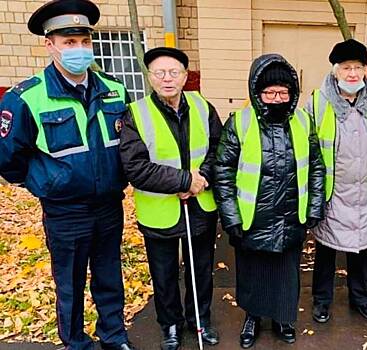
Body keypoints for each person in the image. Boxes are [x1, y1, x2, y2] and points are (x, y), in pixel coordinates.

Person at [0, 0, 134, 349]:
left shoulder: (114, 90)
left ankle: (113, 335)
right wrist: (46, 182)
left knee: (109, 277)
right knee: (70, 284)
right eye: (69, 42)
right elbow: (9, 157)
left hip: (108, 205)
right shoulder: (26, 97)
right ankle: (76, 342)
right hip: (65, 211)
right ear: (50, 45)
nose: (79, 49)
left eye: (84, 41)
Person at [213, 53, 325, 348]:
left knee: (286, 274)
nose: (277, 98)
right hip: (252, 218)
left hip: (291, 216)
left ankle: (282, 318)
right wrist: (231, 217)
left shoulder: (303, 121)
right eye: (270, 92)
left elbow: (316, 165)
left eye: (283, 92)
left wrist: (314, 207)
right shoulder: (240, 122)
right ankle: (252, 317)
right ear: (257, 92)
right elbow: (222, 171)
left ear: (292, 92)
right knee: (252, 273)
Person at [119, 47, 222, 349]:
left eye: (174, 72)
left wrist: (200, 179)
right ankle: (171, 326)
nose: (167, 78)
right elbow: (135, 166)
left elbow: (219, 149)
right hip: (159, 212)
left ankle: (200, 321)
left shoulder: (202, 106)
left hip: (200, 205)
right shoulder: (136, 113)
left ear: (185, 76)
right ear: (150, 77)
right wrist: (182, 180)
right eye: (160, 73)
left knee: (200, 270)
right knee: (164, 275)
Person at [304, 39, 367, 324]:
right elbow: (308, 147)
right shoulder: (317, 100)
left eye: (358, 67)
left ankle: (361, 298)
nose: (352, 74)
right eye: (346, 68)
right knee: (326, 248)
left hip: (365, 191)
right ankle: (322, 301)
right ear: (335, 70)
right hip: (331, 191)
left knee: (361, 249)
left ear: (365, 70)